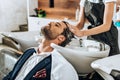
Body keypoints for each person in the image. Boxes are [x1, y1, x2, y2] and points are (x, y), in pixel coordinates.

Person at [3, 21, 79, 80]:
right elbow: (11, 75)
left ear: (61, 38)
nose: (51, 22)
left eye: (57, 25)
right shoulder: (29, 52)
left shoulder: (60, 66)